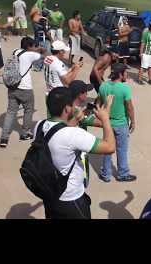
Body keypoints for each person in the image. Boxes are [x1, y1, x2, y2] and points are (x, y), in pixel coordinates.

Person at [37, 87, 116, 219]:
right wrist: (106, 118)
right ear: (67, 109)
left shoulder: (40, 125)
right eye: (73, 105)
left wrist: (79, 118)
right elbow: (109, 147)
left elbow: (61, 132)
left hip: (50, 195)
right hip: (71, 198)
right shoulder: (73, 135)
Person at [0, 37, 47, 148]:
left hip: (12, 86)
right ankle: (25, 134)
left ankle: (4, 138)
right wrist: (40, 48)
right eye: (33, 46)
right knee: (28, 110)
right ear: (29, 46)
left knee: (10, 112)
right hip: (25, 88)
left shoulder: (15, 52)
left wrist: (35, 49)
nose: (35, 48)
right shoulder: (30, 55)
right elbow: (44, 55)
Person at [97, 63, 137, 182]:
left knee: (107, 149)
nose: (127, 74)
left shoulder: (103, 86)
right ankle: (122, 174)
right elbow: (129, 107)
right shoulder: (124, 88)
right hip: (121, 124)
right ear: (120, 74)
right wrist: (133, 122)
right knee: (122, 149)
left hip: (107, 124)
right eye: (125, 72)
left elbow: (98, 103)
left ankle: (105, 174)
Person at [68, 80, 104, 188]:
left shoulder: (67, 107)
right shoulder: (77, 113)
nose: (87, 94)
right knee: (83, 181)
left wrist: (85, 112)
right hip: (79, 150)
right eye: (86, 92)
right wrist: (104, 114)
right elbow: (101, 123)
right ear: (80, 95)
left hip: (69, 147)